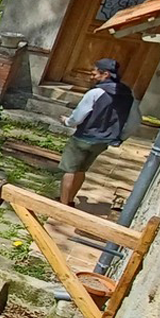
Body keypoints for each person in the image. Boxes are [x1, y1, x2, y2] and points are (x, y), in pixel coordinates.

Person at [58, 58, 141, 207]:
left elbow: (78, 116)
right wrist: (121, 137)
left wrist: (67, 122)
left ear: (106, 74)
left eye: (95, 73)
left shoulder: (96, 93)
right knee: (82, 170)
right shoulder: (129, 95)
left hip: (83, 138)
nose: (92, 76)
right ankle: (70, 200)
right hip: (103, 141)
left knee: (70, 169)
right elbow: (135, 121)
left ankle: (63, 204)